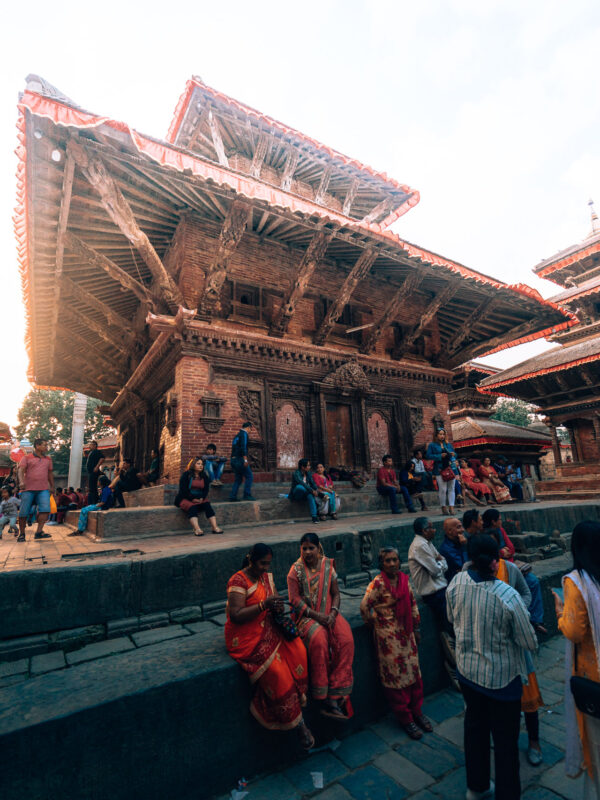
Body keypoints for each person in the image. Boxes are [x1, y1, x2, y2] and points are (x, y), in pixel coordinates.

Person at [446, 534, 538, 800]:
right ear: (496, 561)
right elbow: (528, 641)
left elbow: (451, 618)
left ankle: (477, 787)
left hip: (467, 672)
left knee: (474, 731)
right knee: (505, 743)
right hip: (501, 680)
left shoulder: (457, 582)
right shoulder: (507, 596)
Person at [225, 543, 314, 750]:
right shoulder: (237, 580)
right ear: (251, 561)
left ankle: (297, 698)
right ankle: (299, 725)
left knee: (299, 650)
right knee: (277, 672)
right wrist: (264, 605)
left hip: (269, 627)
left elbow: (272, 605)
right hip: (246, 636)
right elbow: (236, 616)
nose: (265, 568)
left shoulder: (266, 577)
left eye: (268, 564)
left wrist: (276, 606)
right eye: (262, 564)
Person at [483, 528, 545, 767]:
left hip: (517, 643)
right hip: (492, 647)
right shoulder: (470, 572)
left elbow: (526, 593)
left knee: (528, 695)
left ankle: (534, 741)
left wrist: (518, 612)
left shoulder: (508, 569)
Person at [360, 546, 433, 740]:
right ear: (382, 564)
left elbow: (412, 604)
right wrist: (374, 623)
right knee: (396, 678)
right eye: (387, 561)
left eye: (395, 560)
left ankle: (417, 711)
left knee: (413, 673)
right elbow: (365, 606)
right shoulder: (377, 583)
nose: (392, 564)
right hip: (388, 638)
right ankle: (405, 718)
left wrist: (416, 628)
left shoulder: (404, 580)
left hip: (406, 633)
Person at [553, 520, 600, 797]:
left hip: (593, 675)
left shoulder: (578, 582)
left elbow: (573, 631)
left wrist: (560, 613)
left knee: (595, 743)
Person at [287, 533, 354, 718]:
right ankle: (322, 695)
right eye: (304, 548)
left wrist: (332, 613)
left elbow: (337, 594)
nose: (308, 552)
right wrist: (317, 616)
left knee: (346, 640)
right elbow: (294, 600)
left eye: (311, 548)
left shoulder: (327, 566)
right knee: (319, 640)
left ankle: (336, 691)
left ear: (318, 548)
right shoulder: (295, 571)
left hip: (329, 613)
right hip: (306, 616)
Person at [483, 507, 547, 635]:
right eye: (499, 520)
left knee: (533, 581)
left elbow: (511, 549)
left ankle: (535, 619)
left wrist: (505, 553)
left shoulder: (501, 530)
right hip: (499, 569)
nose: (501, 521)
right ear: (493, 521)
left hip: (512, 567)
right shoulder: (484, 535)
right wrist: (501, 552)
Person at [174, 457, 223, 536]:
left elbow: (206, 490)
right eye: (198, 464)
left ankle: (215, 527)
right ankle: (197, 529)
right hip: (185, 497)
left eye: (202, 464)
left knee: (207, 505)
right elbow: (183, 490)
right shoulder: (186, 475)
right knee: (192, 507)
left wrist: (201, 498)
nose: (201, 466)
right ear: (193, 465)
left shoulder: (204, 476)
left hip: (199, 498)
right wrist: (192, 499)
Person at [17, 437, 54, 542]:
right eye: (44, 445)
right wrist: (21, 482)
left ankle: (38, 532)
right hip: (28, 489)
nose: (46, 447)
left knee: (45, 510)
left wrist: (52, 486)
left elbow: (50, 473)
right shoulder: (26, 458)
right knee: (23, 512)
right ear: (37, 446)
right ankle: (22, 534)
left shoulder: (48, 459)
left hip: (43, 489)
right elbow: (21, 470)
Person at [426, 429, 458, 515]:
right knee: (443, 489)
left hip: (450, 468)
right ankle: (443, 506)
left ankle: (451, 507)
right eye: (440, 434)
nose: (442, 436)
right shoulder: (432, 445)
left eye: (443, 434)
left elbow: (455, 454)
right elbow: (428, 456)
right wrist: (439, 455)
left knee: (452, 488)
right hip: (439, 469)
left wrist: (453, 454)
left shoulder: (448, 444)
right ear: (436, 435)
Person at [228, 422, 256, 501]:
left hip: (233, 459)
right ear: (248, 427)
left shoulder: (237, 435)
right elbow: (243, 448)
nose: (250, 431)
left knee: (238, 479)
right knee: (249, 476)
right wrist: (245, 460)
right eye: (251, 429)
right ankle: (247, 495)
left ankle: (232, 496)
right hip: (240, 459)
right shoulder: (244, 434)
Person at [289, 459, 322, 523]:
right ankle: (311, 492)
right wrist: (312, 490)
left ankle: (314, 516)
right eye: (308, 465)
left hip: (306, 493)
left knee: (310, 496)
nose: (309, 467)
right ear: (302, 467)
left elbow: (313, 483)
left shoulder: (308, 474)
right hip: (297, 494)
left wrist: (317, 490)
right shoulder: (296, 473)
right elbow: (301, 483)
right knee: (300, 487)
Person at [439, 516, 468, 582]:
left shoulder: (458, 542)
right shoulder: (447, 549)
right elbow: (464, 566)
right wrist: (464, 546)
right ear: (449, 531)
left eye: (462, 526)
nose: (463, 530)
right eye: (458, 527)